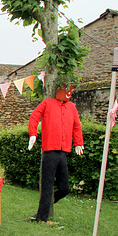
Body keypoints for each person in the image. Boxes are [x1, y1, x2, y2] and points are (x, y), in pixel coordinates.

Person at [28, 85, 84, 224]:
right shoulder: (47, 103)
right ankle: (42, 218)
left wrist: (78, 142)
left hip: (63, 151)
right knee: (47, 185)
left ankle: (47, 204)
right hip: (49, 151)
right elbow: (34, 117)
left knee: (64, 188)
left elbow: (76, 125)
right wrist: (33, 134)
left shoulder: (71, 107)